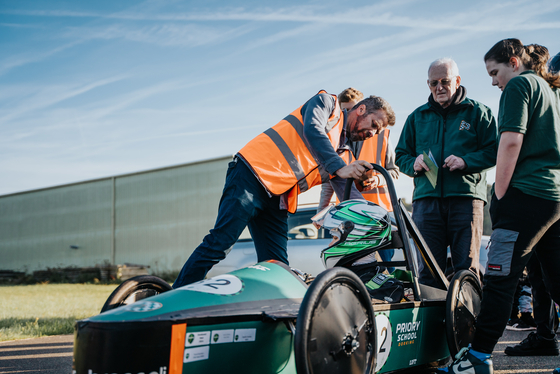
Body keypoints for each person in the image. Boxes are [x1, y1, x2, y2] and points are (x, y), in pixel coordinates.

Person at [173, 90, 396, 288]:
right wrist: (340, 168)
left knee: (276, 265)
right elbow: (312, 130)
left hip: (277, 197)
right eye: (374, 125)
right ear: (362, 109)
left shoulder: (344, 154)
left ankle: (268, 319)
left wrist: (385, 221)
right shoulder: (328, 104)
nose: (372, 134)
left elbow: (351, 199)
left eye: (377, 132)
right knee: (219, 244)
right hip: (251, 175)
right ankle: (173, 301)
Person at [438, 39, 560, 374]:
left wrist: (501, 194)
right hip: (553, 199)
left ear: (514, 61)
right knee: (557, 280)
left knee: (500, 277)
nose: (494, 81)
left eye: (495, 72)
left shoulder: (520, 85)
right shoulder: (551, 91)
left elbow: (509, 140)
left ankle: (476, 359)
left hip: (524, 196)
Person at [395, 58, 497, 285]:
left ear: (457, 81)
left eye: (445, 81)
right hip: (426, 203)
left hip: (466, 200)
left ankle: (466, 320)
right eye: (433, 83)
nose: (439, 87)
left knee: (467, 269)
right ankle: (432, 321)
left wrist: (465, 161)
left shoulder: (479, 113)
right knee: (428, 272)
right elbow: (401, 154)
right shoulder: (416, 117)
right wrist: (413, 164)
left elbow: (494, 151)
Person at [503, 49, 560, 357]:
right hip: (548, 195)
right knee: (540, 273)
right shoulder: (548, 97)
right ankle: (545, 334)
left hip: (549, 193)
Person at [318, 87, 399, 272]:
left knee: (386, 267)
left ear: (360, 109)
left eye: (349, 110)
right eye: (344, 111)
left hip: (379, 215)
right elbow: (331, 176)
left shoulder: (381, 136)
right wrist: (322, 208)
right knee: (351, 268)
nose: (346, 117)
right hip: (351, 215)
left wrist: (378, 179)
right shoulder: (338, 137)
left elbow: (393, 171)